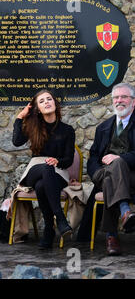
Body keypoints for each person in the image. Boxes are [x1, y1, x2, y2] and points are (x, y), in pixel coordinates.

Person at [86, 82, 135, 256]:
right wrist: (95, 173)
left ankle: (111, 236)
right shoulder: (103, 127)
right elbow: (93, 157)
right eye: (116, 97)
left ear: (133, 101)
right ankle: (125, 210)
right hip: (103, 173)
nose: (119, 100)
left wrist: (122, 158)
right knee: (107, 176)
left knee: (113, 172)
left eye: (124, 97)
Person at [12, 90, 75, 249]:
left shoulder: (67, 130)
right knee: (44, 172)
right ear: (38, 108)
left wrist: (57, 161)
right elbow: (16, 141)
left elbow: (68, 160)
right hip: (35, 169)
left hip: (58, 171)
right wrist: (21, 117)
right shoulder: (34, 126)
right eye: (41, 101)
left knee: (41, 186)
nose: (47, 102)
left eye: (49, 99)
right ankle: (60, 219)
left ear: (55, 103)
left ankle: (49, 228)